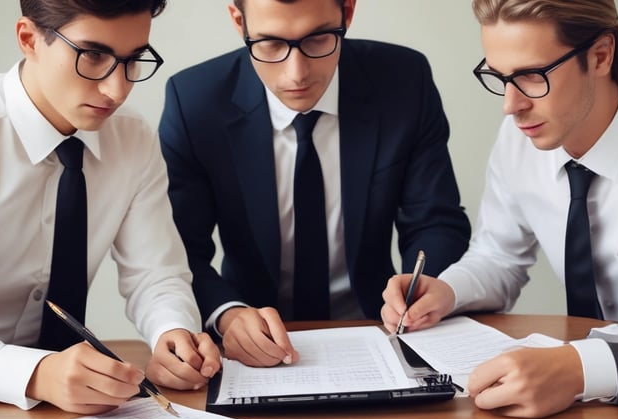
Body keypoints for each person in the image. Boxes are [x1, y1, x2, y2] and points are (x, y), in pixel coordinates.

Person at [382, 0, 618, 417]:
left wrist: (579, 366)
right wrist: (447, 291)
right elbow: (498, 257)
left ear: (600, 55)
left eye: (530, 76)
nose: (510, 105)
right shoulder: (520, 135)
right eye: (499, 77)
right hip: (577, 402)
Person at [159, 0, 471, 367]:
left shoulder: (404, 80)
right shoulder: (194, 102)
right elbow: (179, 252)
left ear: (348, 12)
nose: (296, 73)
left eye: (318, 39)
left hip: (381, 330)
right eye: (271, 44)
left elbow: (435, 219)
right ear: (238, 21)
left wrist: (419, 290)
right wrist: (228, 314)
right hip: (248, 342)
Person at [0, 0, 221, 414]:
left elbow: (156, 273)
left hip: (72, 412)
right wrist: (36, 372)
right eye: (93, 55)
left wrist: (172, 331)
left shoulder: (131, 138)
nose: (118, 89)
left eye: (133, 60)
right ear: (29, 39)